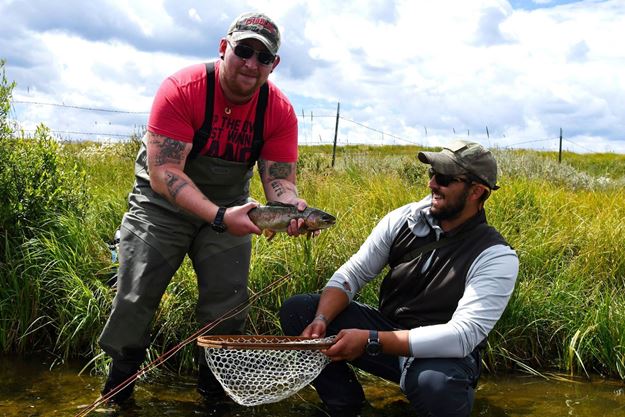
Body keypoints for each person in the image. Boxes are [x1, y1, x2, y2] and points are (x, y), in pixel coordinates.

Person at [98, 11, 308, 404]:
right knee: (135, 296)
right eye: (243, 50)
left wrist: (290, 207)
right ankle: (117, 393)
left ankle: (213, 396)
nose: (251, 63)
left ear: (273, 65)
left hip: (232, 208)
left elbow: (279, 180)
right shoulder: (183, 88)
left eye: (263, 58)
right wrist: (214, 215)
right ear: (223, 46)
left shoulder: (278, 111)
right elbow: (164, 173)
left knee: (228, 307)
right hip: (161, 206)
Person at [280, 140, 519, 417]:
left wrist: (371, 339)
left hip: (443, 356)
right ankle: (347, 407)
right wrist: (321, 320)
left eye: (444, 178)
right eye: (431, 174)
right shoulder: (404, 220)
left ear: (477, 191)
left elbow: (462, 337)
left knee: (435, 385)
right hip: (388, 334)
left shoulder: (496, 256)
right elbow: (353, 273)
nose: (432, 184)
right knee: (300, 311)